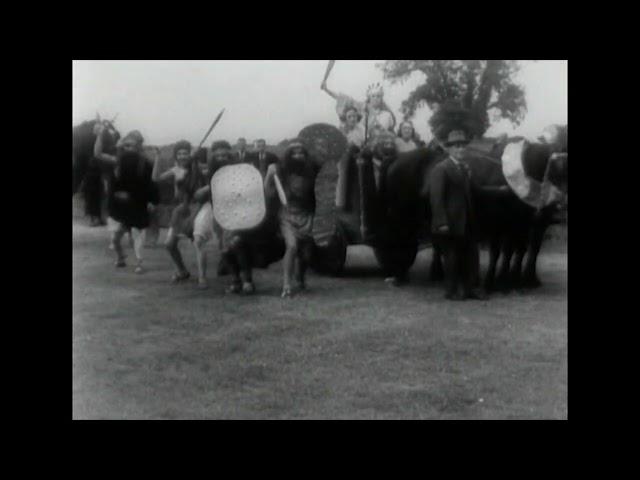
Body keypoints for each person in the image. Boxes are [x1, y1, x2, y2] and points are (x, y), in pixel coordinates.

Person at [429, 130, 486, 300]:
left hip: (466, 220)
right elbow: (436, 198)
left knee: (471, 255)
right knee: (452, 257)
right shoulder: (441, 169)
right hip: (450, 222)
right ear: (449, 149)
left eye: (463, 146)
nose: (461, 149)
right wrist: (441, 222)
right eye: (457, 146)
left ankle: (470, 289)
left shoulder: (464, 168)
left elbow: (477, 190)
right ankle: (451, 291)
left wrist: (501, 191)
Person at [94, 128, 159, 274]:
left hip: (138, 203)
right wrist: (100, 135)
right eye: (127, 145)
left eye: (134, 146)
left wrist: (152, 201)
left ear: (139, 146)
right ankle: (120, 257)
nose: (130, 149)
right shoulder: (118, 159)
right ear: (123, 146)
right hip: (119, 204)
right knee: (115, 237)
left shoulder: (146, 163)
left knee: (137, 234)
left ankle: (139, 262)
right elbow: (98, 154)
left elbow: (153, 182)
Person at [264, 139, 321, 298]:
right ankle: (287, 285)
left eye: (301, 153)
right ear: (288, 155)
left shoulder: (312, 172)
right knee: (292, 246)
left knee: (307, 254)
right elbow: (267, 192)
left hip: (306, 215)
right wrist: (269, 175)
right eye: (294, 153)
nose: (298, 156)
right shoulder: (279, 172)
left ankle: (300, 278)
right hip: (287, 215)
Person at [152, 140, 209, 284]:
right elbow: (155, 178)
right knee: (169, 244)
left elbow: (214, 172)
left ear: (191, 154)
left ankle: (202, 277)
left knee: (198, 241)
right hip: (182, 208)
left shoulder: (200, 167)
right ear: (176, 156)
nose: (183, 156)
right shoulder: (175, 170)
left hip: (199, 206)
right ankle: (182, 271)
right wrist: (158, 157)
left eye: (186, 153)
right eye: (180, 154)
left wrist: (197, 160)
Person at [191, 140, 237, 289]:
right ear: (213, 157)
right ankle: (202, 277)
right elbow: (196, 195)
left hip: (232, 209)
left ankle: (237, 278)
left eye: (225, 156)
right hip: (211, 206)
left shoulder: (239, 171)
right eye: (218, 156)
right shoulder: (207, 172)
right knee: (198, 239)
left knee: (232, 244)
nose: (222, 159)